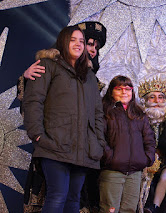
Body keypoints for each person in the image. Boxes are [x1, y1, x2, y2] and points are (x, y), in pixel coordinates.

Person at [23, 25, 106, 212]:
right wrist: (37, 134)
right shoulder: (47, 66)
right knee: (57, 196)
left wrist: (99, 142)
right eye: (73, 40)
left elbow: (98, 114)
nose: (78, 44)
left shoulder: (90, 77)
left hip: (84, 149)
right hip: (54, 145)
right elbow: (33, 101)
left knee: (73, 200)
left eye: (82, 41)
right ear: (63, 42)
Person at [99, 75, 156, 213]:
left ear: (132, 92)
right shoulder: (105, 112)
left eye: (128, 89)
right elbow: (98, 138)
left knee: (129, 209)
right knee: (110, 209)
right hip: (113, 170)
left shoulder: (139, 114)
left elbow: (149, 139)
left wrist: (147, 158)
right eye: (119, 89)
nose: (124, 92)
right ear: (111, 92)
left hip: (135, 172)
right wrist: (110, 158)